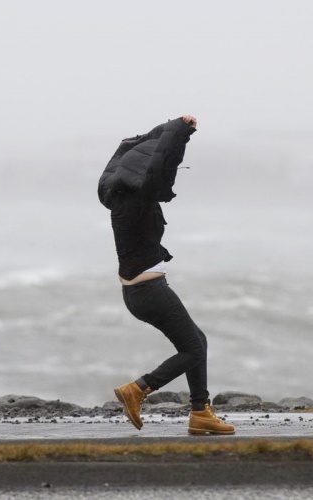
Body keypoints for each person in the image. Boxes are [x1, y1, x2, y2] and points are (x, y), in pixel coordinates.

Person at [97, 115, 234, 435]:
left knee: (196, 341)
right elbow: (162, 165)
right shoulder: (139, 200)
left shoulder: (115, 196)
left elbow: (132, 152)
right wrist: (181, 132)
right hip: (150, 292)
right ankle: (137, 389)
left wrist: (162, 131)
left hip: (138, 293)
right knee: (194, 349)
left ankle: (200, 413)